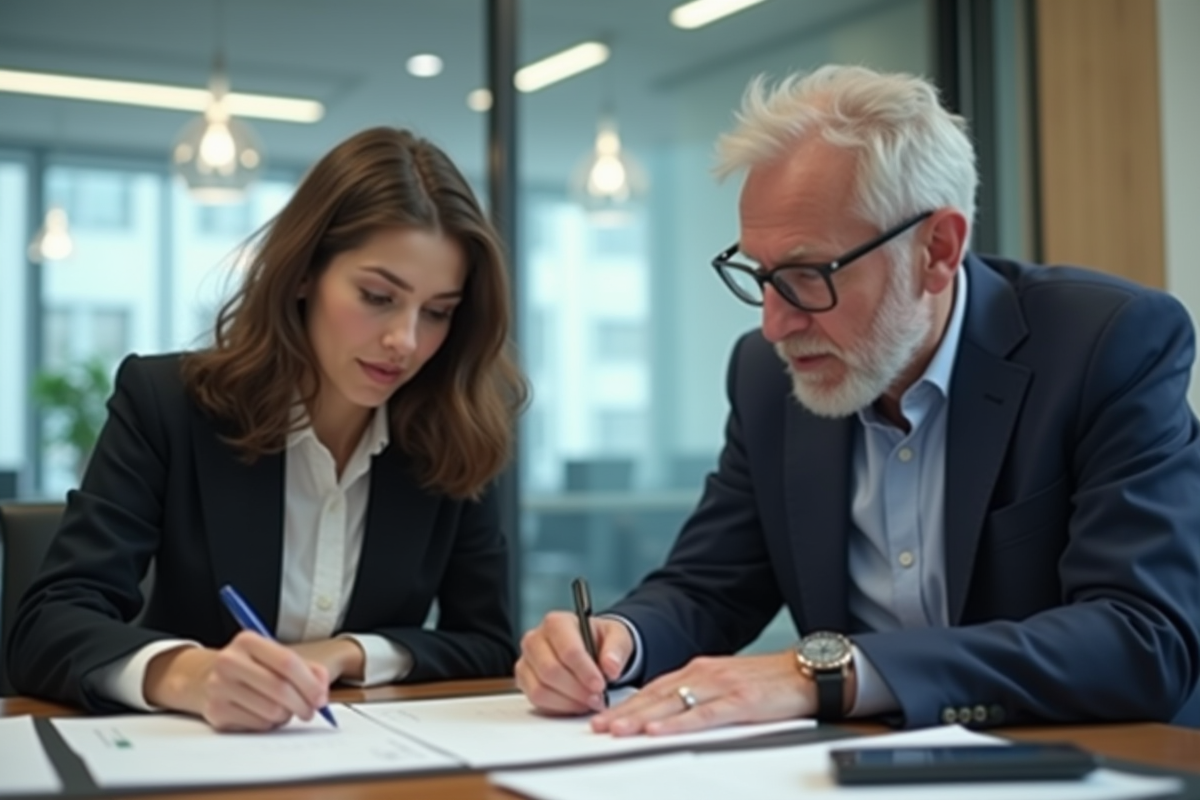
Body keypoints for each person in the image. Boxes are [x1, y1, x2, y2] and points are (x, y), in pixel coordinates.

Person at [516, 65, 1200, 733]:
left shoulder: (1103, 344)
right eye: (761, 276)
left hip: (1082, 761)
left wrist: (830, 674)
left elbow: (1141, 637)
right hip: (856, 768)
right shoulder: (767, 376)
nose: (774, 325)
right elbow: (710, 586)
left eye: (808, 275)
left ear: (937, 249)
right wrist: (617, 639)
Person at [9, 127, 528, 731]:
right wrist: (189, 674)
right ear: (304, 273)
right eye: (377, 296)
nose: (406, 341)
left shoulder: (456, 433)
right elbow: (47, 624)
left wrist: (348, 652)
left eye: (438, 312)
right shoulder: (166, 406)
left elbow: (489, 643)